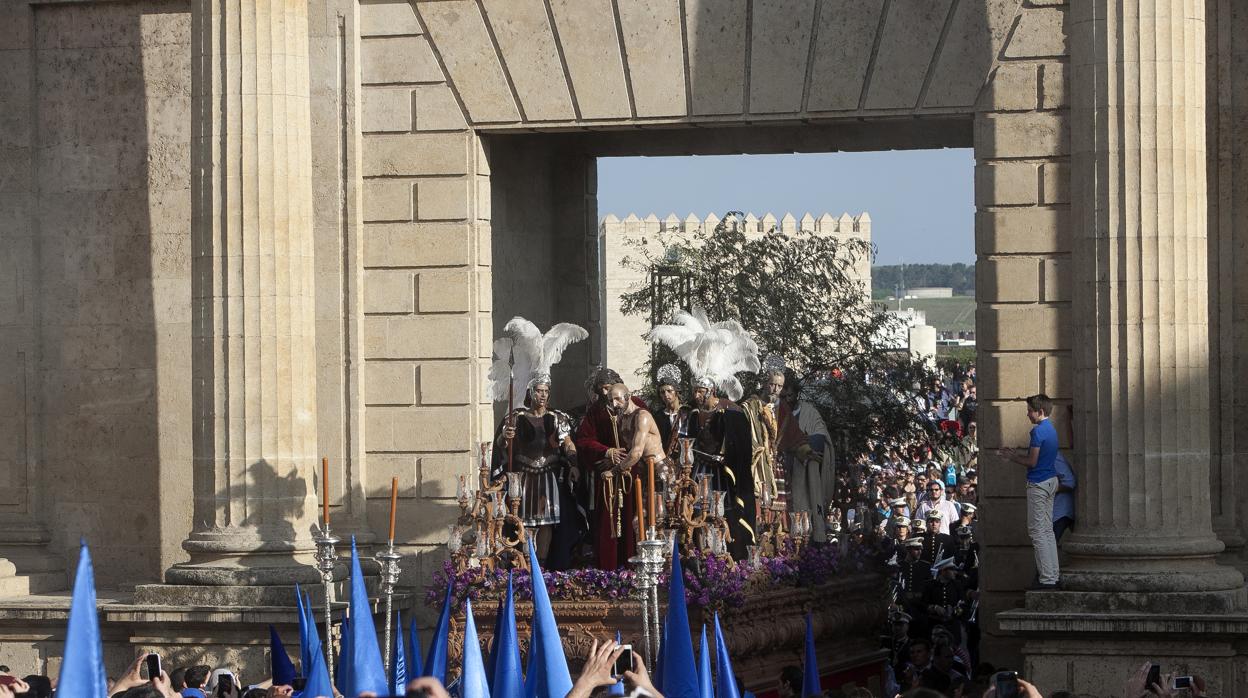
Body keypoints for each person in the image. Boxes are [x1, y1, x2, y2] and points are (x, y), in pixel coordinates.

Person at [487, 317, 588, 568]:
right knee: (524, 520)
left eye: (545, 391)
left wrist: (574, 463)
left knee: (546, 521)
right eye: (538, 391)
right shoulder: (516, 417)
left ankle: (541, 564)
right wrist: (505, 437)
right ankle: (525, 562)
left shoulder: (558, 417)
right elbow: (501, 445)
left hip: (548, 476)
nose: (542, 395)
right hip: (523, 478)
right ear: (530, 393)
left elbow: (567, 443)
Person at [575, 367, 649, 569]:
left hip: (633, 473)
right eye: (602, 389)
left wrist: (629, 456)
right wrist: (607, 451)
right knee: (607, 523)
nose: (607, 393)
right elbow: (583, 440)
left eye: (609, 388)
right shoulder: (596, 411)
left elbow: (646, 438)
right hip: (607, 475)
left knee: (634, 519)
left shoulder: (637, 406)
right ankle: (608, 569)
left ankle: (636, 567)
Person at [996, 393, 1061, 589]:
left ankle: (1047, 578)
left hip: (1039, 483)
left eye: (1030, 411)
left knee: (1037, 532)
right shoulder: (1051, 429)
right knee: (1047, 531)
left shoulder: (1038, 432)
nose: (1027, 414)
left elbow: (1032, 462)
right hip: (1050, 480)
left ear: (1040, 412)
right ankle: (1053, 575)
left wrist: (1012, 457)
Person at [775, 372, 835, 543]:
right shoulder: (773, 412)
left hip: (802, 469)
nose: (787, 399)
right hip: (779, 469)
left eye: (790, 395)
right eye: (783, 395)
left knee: (804, 506)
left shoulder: (809, 412)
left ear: (797, 394)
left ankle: (808, 541)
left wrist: (804, 443)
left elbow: (821, 434)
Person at [651, 364, 690, 465]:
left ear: (676, 392)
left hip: (685, 458)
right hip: (664, 459)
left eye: (669, 391)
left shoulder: (687, 413)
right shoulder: (658, 415)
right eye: (662, 392)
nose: (666, 395)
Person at [1052, 452, 1077, 542]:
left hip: (1060, 512)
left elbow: (1070, 483)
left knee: (1047, 546)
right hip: (1057, 511)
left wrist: (1047, 488)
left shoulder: (1053, 455)